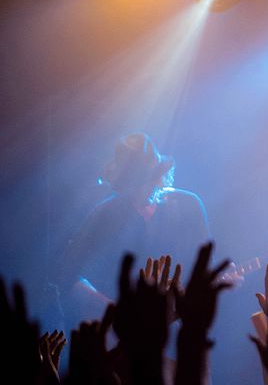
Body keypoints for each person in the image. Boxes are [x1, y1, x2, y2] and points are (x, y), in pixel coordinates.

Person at [53, 132, 211, 329]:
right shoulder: (104, 213)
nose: (141, 191)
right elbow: (67, 274)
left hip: (177, 333)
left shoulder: (188, 205)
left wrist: (221, 282)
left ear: (159, 176)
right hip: (117, 337)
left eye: (147, 182)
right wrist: (112, 310)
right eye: (134, 185)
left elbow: (206, 270)